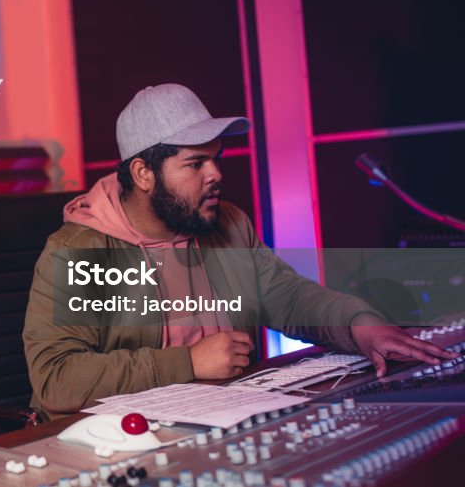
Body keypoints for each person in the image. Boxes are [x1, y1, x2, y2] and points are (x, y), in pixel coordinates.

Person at [23, 83, 457, 420]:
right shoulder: (77, 252)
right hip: (118, 440)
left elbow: (288, 297)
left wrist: (358, 324)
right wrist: (187, 363)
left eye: (217, 158)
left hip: (219, 419)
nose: (216, 174)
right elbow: (56, 380)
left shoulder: (227, 224)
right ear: (143, 173)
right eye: (195, 164)